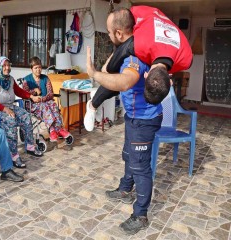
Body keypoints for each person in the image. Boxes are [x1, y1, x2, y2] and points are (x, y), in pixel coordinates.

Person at [86, 8, 166, 235]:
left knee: (140, 166)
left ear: (119, 33)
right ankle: (125, 188)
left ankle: (140, 214)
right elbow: (112, 71)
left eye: (110, 32)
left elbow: (123, 82)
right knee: (129, 155)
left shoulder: (133, 57)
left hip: (145, 119)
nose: (109, 35)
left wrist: (93, 73)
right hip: (134, 116)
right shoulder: (127, 50)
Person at [84, 5, 192, 131]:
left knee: (126, 80)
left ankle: (94, 101)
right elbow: (121, 54)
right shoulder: (139, 44)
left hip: (157, 21)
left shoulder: (186, 58)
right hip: (141, 14)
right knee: (113, 71)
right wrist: (101, 71)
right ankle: (92, 105)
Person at [0, 56, 43, 169]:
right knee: (11, 122)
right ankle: (14, 155)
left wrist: (31, 96)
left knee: (26, 116)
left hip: (9, 106)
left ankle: (30, 146)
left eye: (8, 65)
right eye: (4, 65)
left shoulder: (10, 79)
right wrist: (5, 109)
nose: (7, 68)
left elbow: (18, 91)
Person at [22, 56, 71, 142]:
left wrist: (43, 99)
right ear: (31, 69)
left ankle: (58, 129)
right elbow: (25, 94)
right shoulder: (27, 80)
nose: (38, 70)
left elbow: (50, 93)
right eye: (36, 68)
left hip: (45, 102)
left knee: (53, 104)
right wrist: (34, 91)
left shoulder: (45, 78)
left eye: (40, 67)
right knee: (45, 106)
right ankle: (53, 130)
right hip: (32, 105)